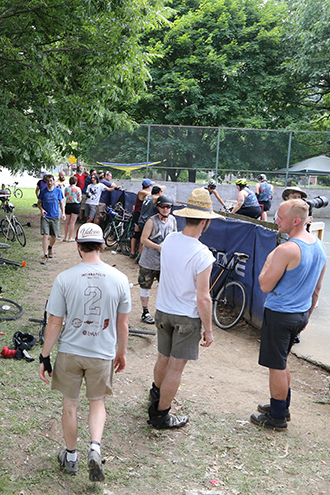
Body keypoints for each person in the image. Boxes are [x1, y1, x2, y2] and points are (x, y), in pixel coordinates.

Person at [38, 223, 130, 481]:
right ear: (101, 245)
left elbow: (55, 322)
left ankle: (70, 456)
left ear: (78, 246)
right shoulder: (121, 279)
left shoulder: (64, 278)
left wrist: (45, 356)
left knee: (70, 404)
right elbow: (123, 324)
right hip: (102, 353)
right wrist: (121, 353)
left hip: (70, 352)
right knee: (97, 402)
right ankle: (95, 448)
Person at [251, 199, 326, 431]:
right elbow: (317, 289)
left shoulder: (286, 250)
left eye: (280, 218)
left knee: (276, 365)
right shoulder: (319, 246)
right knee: (282, 362)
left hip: (281, 313)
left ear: (295, 221)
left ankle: (277, 417)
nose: (276, 221)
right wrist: (307, 315)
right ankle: (281, 406)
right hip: (300, 313)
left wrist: (269, 260)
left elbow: (264, 284)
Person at [148, 188, 220, 429]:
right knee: (176, 367)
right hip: (186, 317)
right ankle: (161, 414)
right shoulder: (203, 255)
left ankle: (156, 394)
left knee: (163, 357)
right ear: (205, 222)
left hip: (163, 310)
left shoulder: (170, 239)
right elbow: (203, 298)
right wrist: (208, 330)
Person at [138, 195, 177, 325]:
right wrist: (160, 247)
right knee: (145, 286)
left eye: (168, 207)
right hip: (148, 261)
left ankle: (164, 311)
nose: (166, 209)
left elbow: (175, 236)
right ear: (158, 207)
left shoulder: (172, 220)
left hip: (164, 263)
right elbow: (144, 239)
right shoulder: (151, 221)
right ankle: (145, 311)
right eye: (163, 206)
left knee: (166, 287)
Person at [37, 174, 65, 264]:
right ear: (46, 182)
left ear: (53, 181)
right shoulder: (43, 191)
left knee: (54, 236)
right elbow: (38, 203)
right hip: (45, 216)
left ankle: (50, 247)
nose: (49, 183)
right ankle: (45, 255)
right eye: (48, 181)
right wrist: (42, 210)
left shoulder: (58, 191)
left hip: (55, 216)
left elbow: (61, 203)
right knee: (45, 235)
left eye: (51, 181)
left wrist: (63, 213)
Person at [130, 179, 153, 257]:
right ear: (149, 186)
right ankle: (134, 252)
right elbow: (152, 195)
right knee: (138, 234)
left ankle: (138, 253)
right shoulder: (142, 192)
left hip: (142, 215)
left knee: (140, 234)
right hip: (138, 215)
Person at [63, 175, 82, 242]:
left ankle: (65, 237)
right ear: (76, 182)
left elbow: (65, 195)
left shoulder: (66, 188)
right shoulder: (78, 189)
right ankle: (70, 237)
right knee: (72, 222)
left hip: (68, 205)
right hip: (75, 205)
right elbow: (79, 199)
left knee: (67, 222)